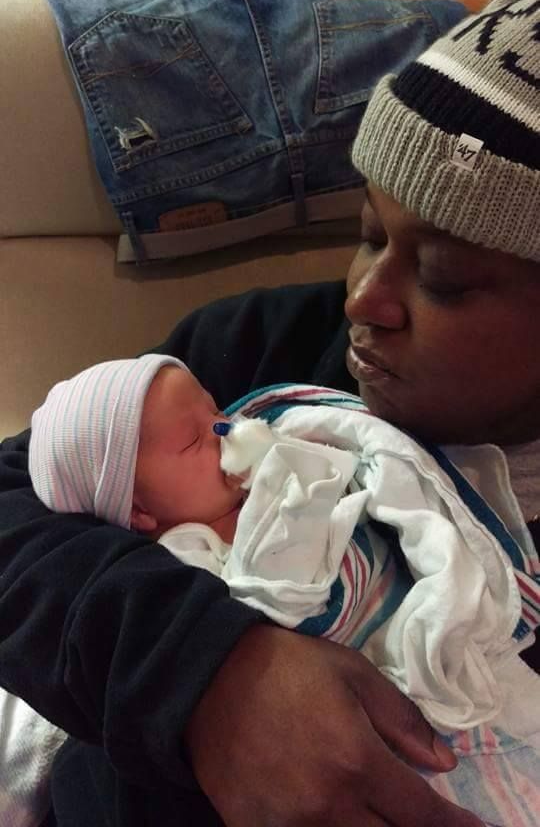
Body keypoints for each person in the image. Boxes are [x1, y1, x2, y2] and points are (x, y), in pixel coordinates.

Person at [0, 0, 538, 827]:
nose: (364, 299)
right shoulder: (256, 347)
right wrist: (207, 673)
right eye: (368, 234)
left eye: (443, 279)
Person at [8, 351, 538, 826]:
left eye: (217, 411)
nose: (227, 429)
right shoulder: (182, 553)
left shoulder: (273, 452)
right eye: (194, 440)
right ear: (139, 512)